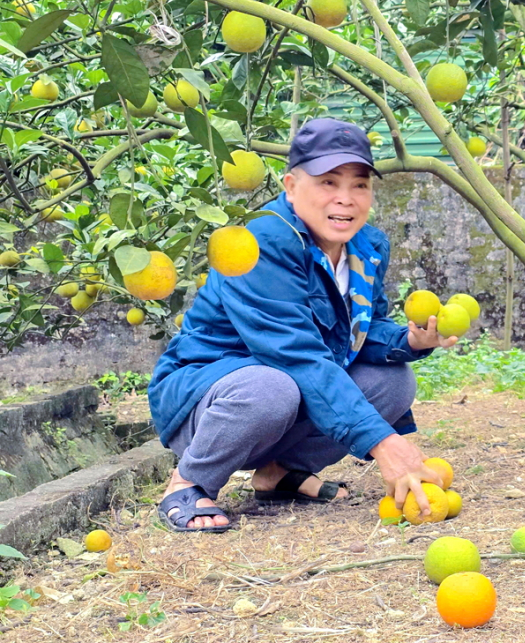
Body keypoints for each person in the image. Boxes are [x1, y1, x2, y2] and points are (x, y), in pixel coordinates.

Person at [149, 117, 456, 532]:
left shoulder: (366, 247)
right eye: (328, 182)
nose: (346, 199)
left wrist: (410, 340)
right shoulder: (261, 243)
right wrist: (384, 443)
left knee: (393, 381)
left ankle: (280, 473)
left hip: (284, 393)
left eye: (359, 184)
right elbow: (296, 356)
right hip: (210, 397)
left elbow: (358, 331)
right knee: (271, 387)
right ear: (291, 187)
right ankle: (187, 482)